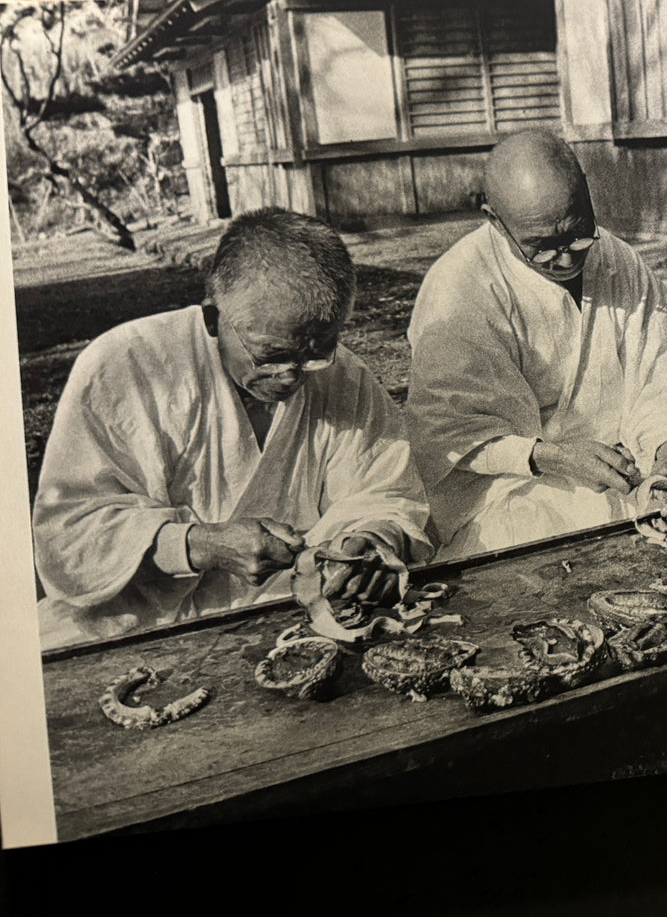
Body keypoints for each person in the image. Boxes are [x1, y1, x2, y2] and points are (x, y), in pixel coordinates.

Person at [32, 210, 433, 649]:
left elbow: (386, 490)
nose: (291, 376)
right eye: (269, 356)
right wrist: (197, 544)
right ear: (211, 319)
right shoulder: (124, 367)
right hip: (136, 624)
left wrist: (369, 543)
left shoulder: (342, 377)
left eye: (315, 355)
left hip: (285, 617)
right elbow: (67, 538)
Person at [405, 130, 667, 560]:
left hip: (628, 470)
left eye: (578, 234)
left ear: (585, 188)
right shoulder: (458, 289)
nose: (566, 258)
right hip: (511, 487)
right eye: (542, 248)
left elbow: (665, 370)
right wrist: (551, 457)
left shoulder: (619, 262)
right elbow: (451, 432)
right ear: (495, 221)